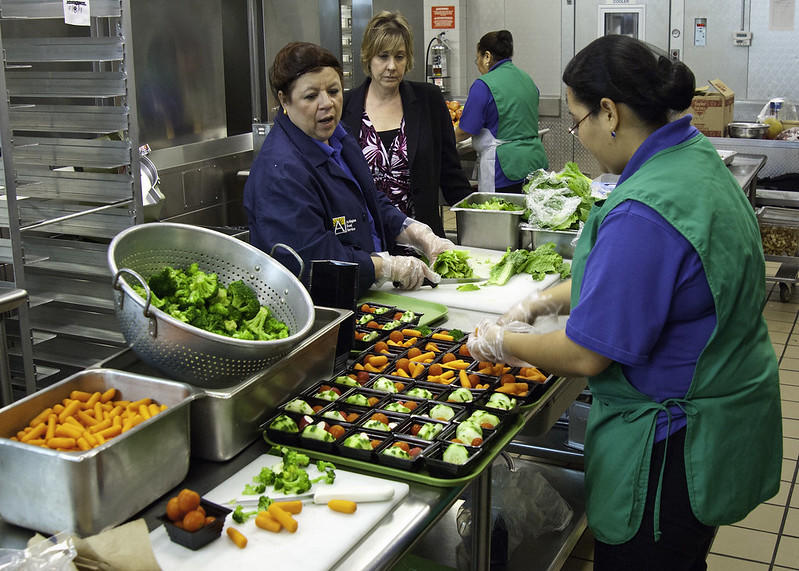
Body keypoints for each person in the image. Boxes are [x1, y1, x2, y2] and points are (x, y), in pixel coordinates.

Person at [467, 35, 782, 570]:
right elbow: (643, 281)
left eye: (577, 121)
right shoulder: (692, 158)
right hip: (719, 415)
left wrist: (504, 343)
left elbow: (587, 354)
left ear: (609, 112)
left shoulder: (645, 208)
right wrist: (545, 301)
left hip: (669, 446)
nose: (581, 137)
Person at [244, 42, 455, 297]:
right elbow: (312, 260)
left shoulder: (338, 136)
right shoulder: (280, 173)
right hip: (324, 305)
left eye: (334, 91)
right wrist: (385, 267)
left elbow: (368, 200)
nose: (327, 103)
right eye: (311, 96)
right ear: (283, 99)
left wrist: (414, 232)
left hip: (363, 291)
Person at [341, 10, 472, 238]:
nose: (392, 66)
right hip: (367, 243)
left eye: (399, 57)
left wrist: (476, 223)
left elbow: (451, 174)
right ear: (368, 57)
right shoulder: (345, 107)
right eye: (383, 56)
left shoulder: (429, 101)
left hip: (422, 241)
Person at [454, 30, 548, 193]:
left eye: (477, 58)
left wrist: (443, 139)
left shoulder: (483, 85)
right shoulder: (527, 79)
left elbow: (465, 130)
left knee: (500, 209)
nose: (478, 64)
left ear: (487, 56)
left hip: (503, 167)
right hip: (534, 163)